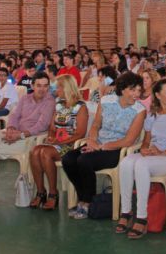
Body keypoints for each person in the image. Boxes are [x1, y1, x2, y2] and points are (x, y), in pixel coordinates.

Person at [62, 72, 146, 220]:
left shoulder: (139, 110)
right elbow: (95, 125)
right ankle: (84, 198)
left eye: (139, 90)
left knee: (84, 160)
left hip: (118, 150)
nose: (136, 94)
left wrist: (101, 147)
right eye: (133, 90)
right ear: (123, 89)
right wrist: (93, 141)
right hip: (98, 144)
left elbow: (129, 140)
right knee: (68, 159)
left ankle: (87, 203)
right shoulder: (106, 101)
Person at [117, 79, 166, 238]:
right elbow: (147, 140)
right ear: (157, 95)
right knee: (125, 163)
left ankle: (142, 217)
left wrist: (164, 152)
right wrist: (145, 149)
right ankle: (126, 211)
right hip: (154, 155)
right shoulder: (152, 114)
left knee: (141, 166)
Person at [0, 72, 55, 208]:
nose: (42, 89)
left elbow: (42, 125)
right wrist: (10, 128)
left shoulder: (50, 101)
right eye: (39, 85)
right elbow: (14, 115)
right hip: (16, 133)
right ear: (32, 86)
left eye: (45, 86)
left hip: (30, 139)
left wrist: (20, 135)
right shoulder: (25, 99)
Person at [29, 75, 88, 210]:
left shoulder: (80, 107)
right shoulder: (59, 104)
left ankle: (53, 193)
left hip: (71, 144)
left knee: (44, 153)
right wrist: (51, 136)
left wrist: (62, 141)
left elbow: (80, 133)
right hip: (57, 142)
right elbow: (52, 127)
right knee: (34, 151)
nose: (56, 89)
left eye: (59, 87)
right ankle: (40, 191)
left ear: (67, 88)